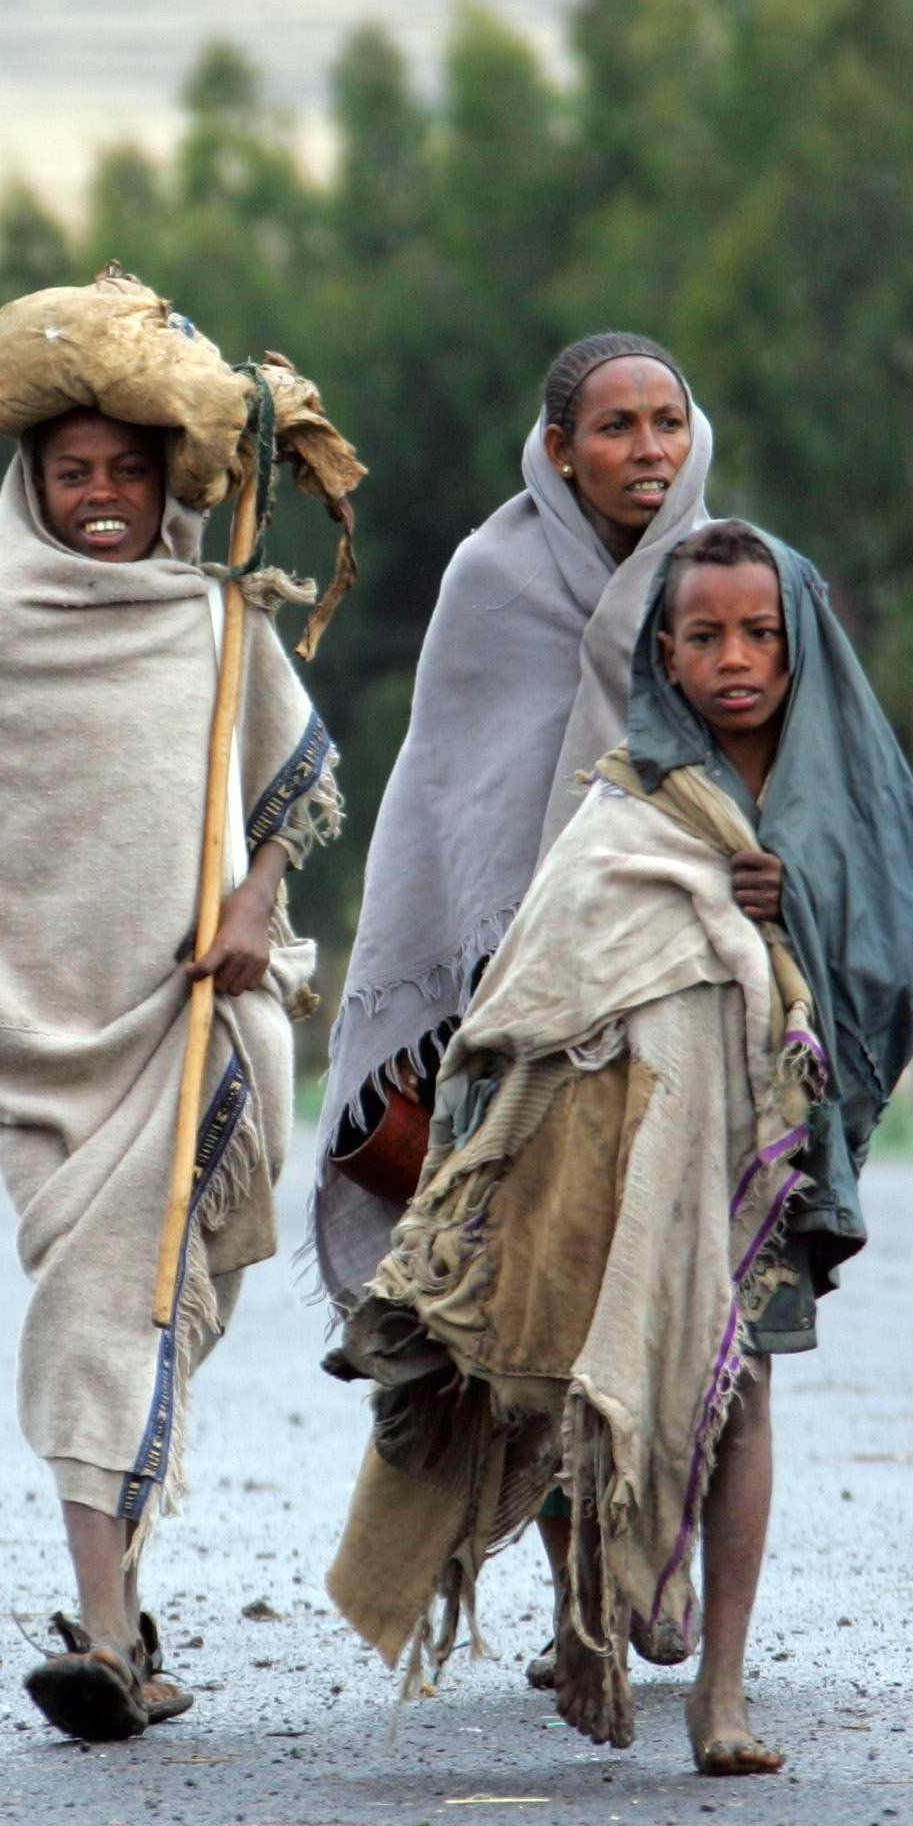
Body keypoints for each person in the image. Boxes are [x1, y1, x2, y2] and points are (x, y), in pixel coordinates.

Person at [326, 522, 913, 1775]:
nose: (736, 658)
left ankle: (720, 1693)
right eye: (707, 635)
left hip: (768, 1157)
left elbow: (905, 925)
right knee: (589, 1371)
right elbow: (543, 975)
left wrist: (801, 906)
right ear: (662, 652)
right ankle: (594, 1617)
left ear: (799, 644)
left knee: (744, 1392)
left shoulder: (847, 791)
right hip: (635, 1144)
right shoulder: (626, 796)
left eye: (760, 634)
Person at [0, 397, 342, 1744]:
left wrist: (254, 906)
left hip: (201, 1021)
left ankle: (107, 1626)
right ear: (31, 489)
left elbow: (288, 789)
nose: (100, 496)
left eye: (126, 473)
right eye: (71, 475)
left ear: (172, 481)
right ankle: (116, 1627)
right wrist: (16, 966)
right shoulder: (4, 629)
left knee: (128, 1306)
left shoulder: (213, 616)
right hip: (45, 1042)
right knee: (109, 1309)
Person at [307, 332, 713, 1686]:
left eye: (667, 421)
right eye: (616, 427)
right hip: (518, 1016)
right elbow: (453, 807)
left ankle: (658, 1561)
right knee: (533, 1310)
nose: (647, 450)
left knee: (681, 1296)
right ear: (558, 450)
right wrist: (502, 976)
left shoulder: (730, 580)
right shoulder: (493, 582)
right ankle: (578, 1589)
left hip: (678, 987)